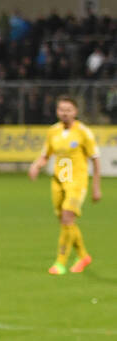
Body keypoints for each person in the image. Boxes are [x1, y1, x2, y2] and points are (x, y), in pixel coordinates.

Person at [28, 95, 101, 274]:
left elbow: (95, 159)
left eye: (68, 110)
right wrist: (36, 165)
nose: (65, 113)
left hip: (77, 182)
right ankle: (83, 255)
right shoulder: (53, 131)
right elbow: (46, 154)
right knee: (65, 222)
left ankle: (60, 262)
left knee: (68, 217)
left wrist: (96, 187)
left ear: (75, 112)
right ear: (57, 111)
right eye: (61, 110)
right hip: (59, 181)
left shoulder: (83, 132)